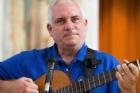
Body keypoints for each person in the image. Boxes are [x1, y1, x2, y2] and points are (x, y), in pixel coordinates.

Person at [0, 0, 139, 93]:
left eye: (75, 19)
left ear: (85, 24)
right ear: (50, 29)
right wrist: (10, 87)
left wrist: (129, 90)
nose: (69, 26)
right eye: (61, 21)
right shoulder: (28, 60)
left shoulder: (108, 64)